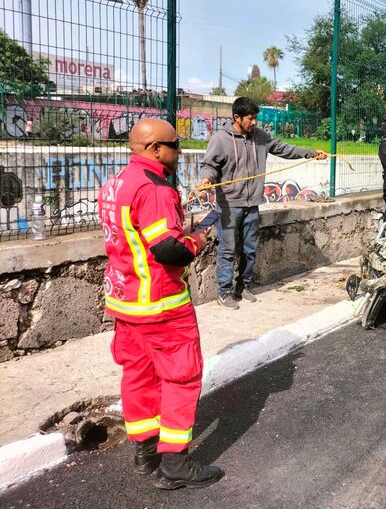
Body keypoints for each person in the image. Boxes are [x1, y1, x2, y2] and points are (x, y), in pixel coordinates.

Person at [98, 118, 224, 490]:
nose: (179, 151)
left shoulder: (116, 182)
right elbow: (168, 249)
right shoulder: (155, 189)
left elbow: (137, 237)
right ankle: (175, 464)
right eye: (175, 145)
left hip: (125, 303)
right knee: (180, 378)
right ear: (155, 149)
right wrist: (199, 238)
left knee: (139, 376)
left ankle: (145, 452)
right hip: (161, 305)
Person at [197, 97, 327, 310]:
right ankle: (224, 292)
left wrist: (311, 153)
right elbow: (209, 165)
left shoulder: (260, 137)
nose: (254, 122)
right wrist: (206, 178)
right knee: (228, 250)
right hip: (229, 205)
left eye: (255, 118)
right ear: (236, 118)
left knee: (249, 248)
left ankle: (243, 286)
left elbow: (284, 148)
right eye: (250, 118)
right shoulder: (221, 139)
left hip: (253, 204)